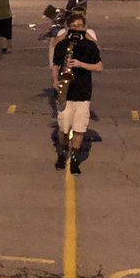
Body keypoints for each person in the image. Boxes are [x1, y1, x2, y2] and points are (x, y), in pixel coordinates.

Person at [51, 15, 104, 174]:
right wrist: (55, 81)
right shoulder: (62, 44)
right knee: (63, 128)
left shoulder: (90, 46)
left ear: (84, 27)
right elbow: (55, 65)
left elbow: (100, 67)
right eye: (73, 25)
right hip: (65, 92)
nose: (76, 28)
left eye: (80, 25)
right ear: (68, 27)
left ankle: (74, 160)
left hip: (83, 92)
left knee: (80, 129)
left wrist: (81, 64)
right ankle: (62, 152)